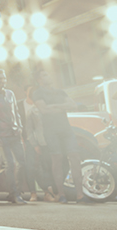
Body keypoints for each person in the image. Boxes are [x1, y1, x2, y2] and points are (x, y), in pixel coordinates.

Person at [30, 68, 83, 204]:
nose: (49, 76)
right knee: (57, 159)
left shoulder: (60, 92)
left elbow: (73, 105)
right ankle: (61, 194)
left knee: (75, 157)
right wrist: (62, 107)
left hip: (66, 129)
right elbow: (44, 110)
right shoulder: (37, 93)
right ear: (39, 79)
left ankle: (80, 195)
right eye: (45, 75)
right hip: (51, 131)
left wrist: (54, 105)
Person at [0, 68, 27, 204]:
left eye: (4, 78)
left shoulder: (10, 94)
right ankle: (14, 194)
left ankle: (16, 191)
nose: (3, 81)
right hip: (2, 135)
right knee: (10, 164)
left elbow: (16, 112)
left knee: (22, 162)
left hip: (14, 132)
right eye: (0, 78)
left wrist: (20, 127)